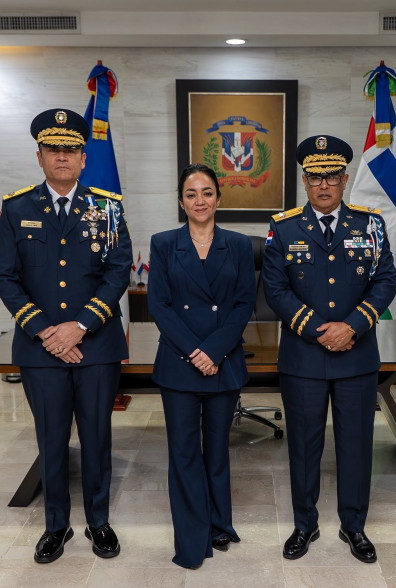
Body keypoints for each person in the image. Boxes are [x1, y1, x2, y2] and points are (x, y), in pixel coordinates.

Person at [0, 108, 132, 563]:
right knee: (51, 438)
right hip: (40, 348)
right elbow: (5, 277)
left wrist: (80, 326)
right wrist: (44, 330)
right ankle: (56, 526)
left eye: (71, 150)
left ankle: (98, 521)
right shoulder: (16, 208)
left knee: (96, 437)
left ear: (83, 158)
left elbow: (117, 274)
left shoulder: (108, 208)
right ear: (39, 156)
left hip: (96, 346)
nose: (62, 158)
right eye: (54, 150)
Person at [262, 135, 396, 563]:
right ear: (304, 181)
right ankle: (305, 524)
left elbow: (386, 282)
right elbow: (276, 289)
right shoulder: (283, 227)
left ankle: (353, 526)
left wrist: (352, 326)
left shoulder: (369, 224)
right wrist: (319, 329)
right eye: (316, 177)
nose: (324, 184)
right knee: (303, 444)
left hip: (356, 355)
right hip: (303, 357)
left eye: (332, 177)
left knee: (356, 444)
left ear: (344, 180)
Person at [147, 163, 256, 569]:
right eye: (191, 194)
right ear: (180, 201)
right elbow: (159, 304)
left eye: (207, 192)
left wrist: (215, 351)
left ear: (219, 199)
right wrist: (196, 351)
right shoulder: (163, 244)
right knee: (185, 453)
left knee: (217, 452)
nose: (199, 200)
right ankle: (192, 538)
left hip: (223, 362)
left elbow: (244, 304)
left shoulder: (240, 245)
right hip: (179, 363)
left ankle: (218, 523)